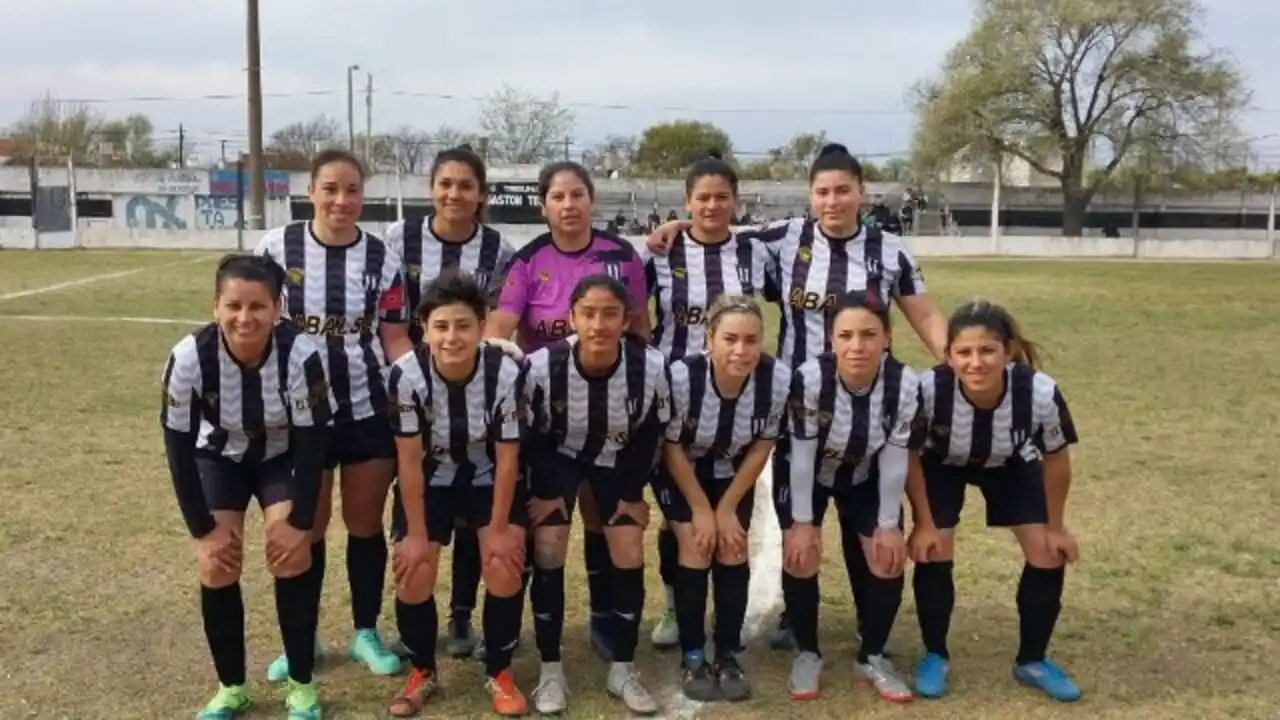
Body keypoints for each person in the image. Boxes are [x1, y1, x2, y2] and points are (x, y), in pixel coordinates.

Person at [647, 142, 948, 651]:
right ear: (810, 196)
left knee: (859, 503)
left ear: (862, 192)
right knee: (763, 504)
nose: (833, 202)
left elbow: (923, 314)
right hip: (788, 398)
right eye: (822, 192)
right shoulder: (784, 240)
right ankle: (717, 605)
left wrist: (959, 362)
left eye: (843, 191)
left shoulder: (891, 251)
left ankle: (856, 613)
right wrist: (675, 227)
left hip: (862, 399)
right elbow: (716, 234)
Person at [255, 149, 412, 681]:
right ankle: (306, 635)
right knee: (309, 525)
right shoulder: (277, 247)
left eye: (352, 190)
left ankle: (365, 632)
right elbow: (260, 327)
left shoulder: (381, 257)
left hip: (367, 407)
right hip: (302, 413)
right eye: (330, 188)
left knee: (364, 525)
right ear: (310, 191)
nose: (342, 200)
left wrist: (418, 386)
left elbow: (393, 335)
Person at [486, 161, 650, 662]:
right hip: (546, 417)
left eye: (578, 194)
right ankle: (521, 625)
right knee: (545, 522)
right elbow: (499, 332)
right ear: (543, 205)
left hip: (609, 409)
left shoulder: (622, 256)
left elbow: (640, 329)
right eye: (558, 197)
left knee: (604, 515)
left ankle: (604, 618)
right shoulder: (526, 260)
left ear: (592, 199)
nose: (569, 205)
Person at [161, 254, 331, 719]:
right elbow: (177, 447)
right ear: (215, 306)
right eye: (233, 305)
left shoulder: (301, 354)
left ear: (277, 309)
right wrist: (203, 530)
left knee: (292, 558)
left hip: (281, 456)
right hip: (219, 457)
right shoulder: (189, 356)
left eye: (258, 306)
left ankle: (301, 684)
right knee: (216, 565)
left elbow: (314, 443)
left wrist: (300, 523)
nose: (245, 317)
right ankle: (231, 687)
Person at [907, 299, 1082, 702]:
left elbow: (1056, 459)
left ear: (1009, 351)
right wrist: (924, 522)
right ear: (948, 355)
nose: (976, 362)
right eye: (963, 352)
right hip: (942, 462)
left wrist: (1056, 526)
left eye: (987, 350)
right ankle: (935, 654)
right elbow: (911, 456)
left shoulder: (1038, 391)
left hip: (1009, 461)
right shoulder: (928, 389)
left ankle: (1032, 660)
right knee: (933, 549)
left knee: (1047, 553)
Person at [383, 143, 516, 659]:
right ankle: (416, 627)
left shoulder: (498, 250)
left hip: (473, 376)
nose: (454, 193)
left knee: (474, 507)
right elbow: (394, 316)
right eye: (445, 183)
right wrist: (414, 370)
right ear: (431, 189)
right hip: (422, 379)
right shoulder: (401, 237)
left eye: (465, 185)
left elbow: (501, 318)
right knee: (426, 486)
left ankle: (462, 617)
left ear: (481, 194)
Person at [644, 151, 776, 650]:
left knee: (729, 509)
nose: (713, 205)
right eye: (703, 198)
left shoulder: (757, 254)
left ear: (737, 202)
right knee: (675, 518)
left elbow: (809, 228)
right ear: (687, 202)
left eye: (723, 197)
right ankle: (675, 602)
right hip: (675, 393)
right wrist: (671, 226)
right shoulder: (660, 253)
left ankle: (724, 618)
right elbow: (639, 315)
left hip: (738, 392)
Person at [382, 272, 529, 717]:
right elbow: (408, 461)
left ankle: (499, 671)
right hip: (430, 480)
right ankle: (422, 671)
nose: (452, 337)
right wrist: (414, 534)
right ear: (423, 329)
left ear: (482, 327)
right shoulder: (405, 374)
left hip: (487, 476)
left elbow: (507, 458)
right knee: (414, 570)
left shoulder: (505, 370)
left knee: (504, 565)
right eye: (441, 326)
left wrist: (501, 529)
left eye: (463, 325)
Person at [522, 275, 670, 715]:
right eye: (588, 313)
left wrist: (631, 494)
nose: (599, 324)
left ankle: (623, 668)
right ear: (571, 317)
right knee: (548, 544)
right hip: (559, 455)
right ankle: (551, 669)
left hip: (617, 458)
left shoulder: (651, 366)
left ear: (626, 320)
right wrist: (548, 492)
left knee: (626, 543)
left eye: (610, 314)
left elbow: (649, 434)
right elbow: (532, 434)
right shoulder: (543, 365)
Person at [776, 291, 918, 703]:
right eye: (847, 335)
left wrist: (889, 526)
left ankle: (871, 655)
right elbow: (801, 457)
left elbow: (895, 458)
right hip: (807, 473)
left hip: (865, 473)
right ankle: (807, 652)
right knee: (801, 554)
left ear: (887, 338)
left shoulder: (904, 383)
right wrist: (802, 524)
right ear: (832, 340)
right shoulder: (809, 378)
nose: (858, 346)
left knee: (886, 557)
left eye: (869, 334)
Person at [654, 294, 789, 702]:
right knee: (697, 544)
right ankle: (693, 653)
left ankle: (727, 652)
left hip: (732, 472)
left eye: (751, 340)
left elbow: (762, 446)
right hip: (682, 469)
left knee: (732, 546)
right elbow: (671, 448)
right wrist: (700, 510)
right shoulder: (680, 377)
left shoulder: (776, 379)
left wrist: (727, 508)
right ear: (709, 340)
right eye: (730, 339)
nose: (741, 350)